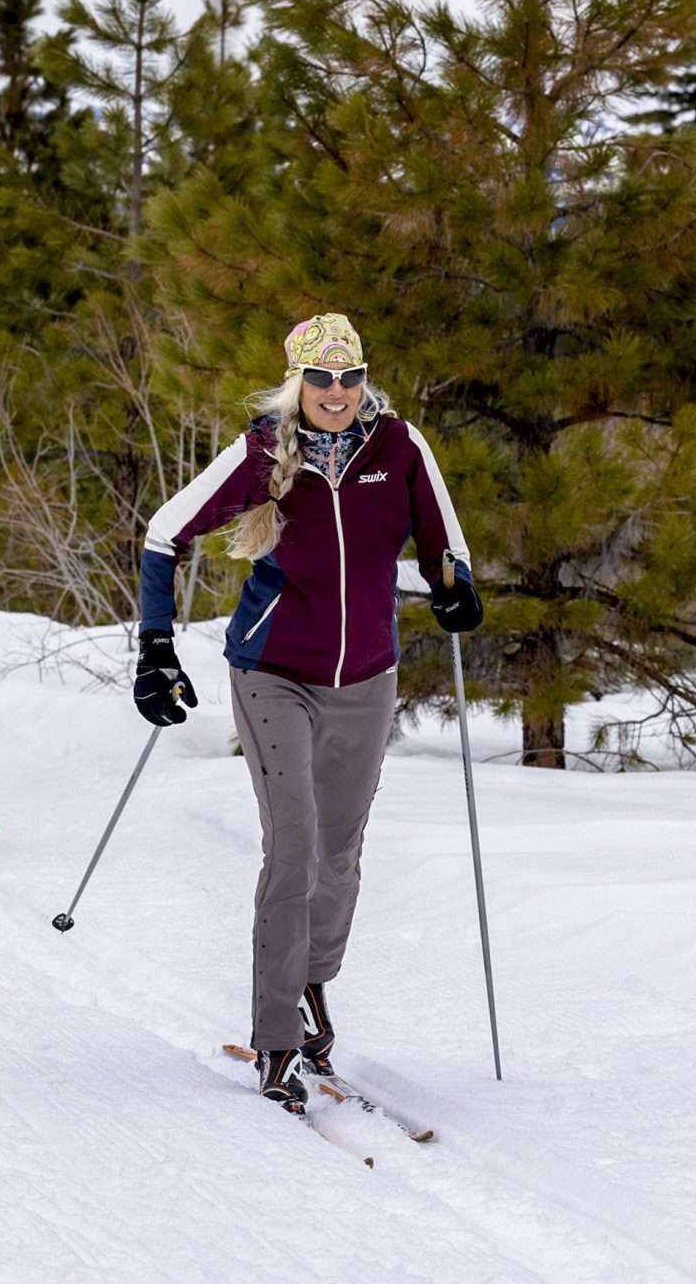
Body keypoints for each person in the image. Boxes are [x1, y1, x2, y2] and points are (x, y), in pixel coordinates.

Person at [136, 313, 481, 1111]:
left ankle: (313, 985)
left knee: (340, 854)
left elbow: (443, 546)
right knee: (293, 846)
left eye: (349, 376)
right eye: (320, 379)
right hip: (273, 673)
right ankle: (276, 1036)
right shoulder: (262, 451)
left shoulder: (399, 445)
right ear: (297, 381)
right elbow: (163, 535)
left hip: (366, 676)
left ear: (364, 377)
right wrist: (155, 647)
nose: (336, 392)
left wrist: (456, 588)